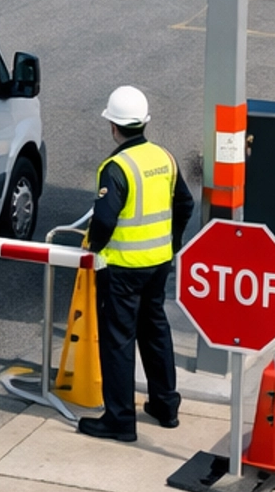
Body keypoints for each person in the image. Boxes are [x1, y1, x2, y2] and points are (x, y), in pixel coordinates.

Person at [77, 85, 194, 445]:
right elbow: (185, 205)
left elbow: (105, 219)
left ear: (113, 125)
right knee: (155, 331)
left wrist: (95, 247)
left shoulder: (116, 167)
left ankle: (120, 420)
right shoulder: (164, 158)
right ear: (144, 123)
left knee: (119, 341)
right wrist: (170, 244)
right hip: (158, 265)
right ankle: (165, 405)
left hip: (123, 269)